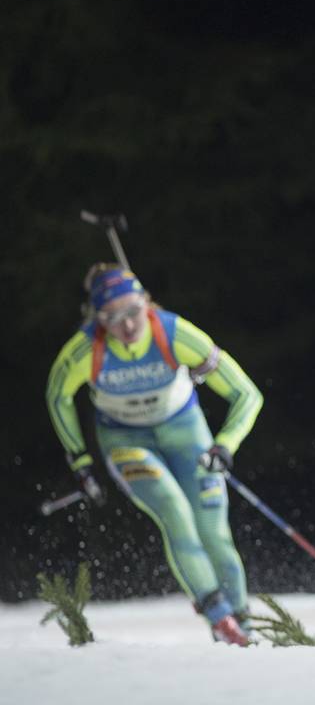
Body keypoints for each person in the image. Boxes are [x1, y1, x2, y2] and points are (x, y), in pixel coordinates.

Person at [45, 265, 264, 644]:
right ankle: (219, 615)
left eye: (133, 311)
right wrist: (79, 459)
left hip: (186, 433)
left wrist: (225, 444)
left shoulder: (174, 333)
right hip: (127, 443)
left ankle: (245, 627)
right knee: (175, 511)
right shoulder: (86, 349)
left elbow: (247, 394)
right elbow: (57, 396)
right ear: (98, 320)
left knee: (215, 533)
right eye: (112, 318)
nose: (127, 325)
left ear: (146, 303)